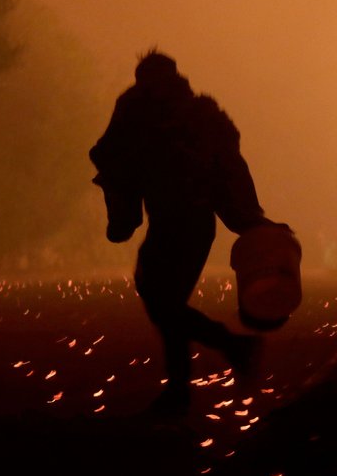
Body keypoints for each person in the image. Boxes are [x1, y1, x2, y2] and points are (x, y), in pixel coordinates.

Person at [89, 50, 269, 416]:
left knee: (163, 302)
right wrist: (249, 218)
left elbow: (109, 155)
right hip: (193, 224)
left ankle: (215, 360)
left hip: (181, 222)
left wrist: (251, 220)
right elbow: (232, 170)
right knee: (165, 303)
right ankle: (189, 381)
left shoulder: (149, 110)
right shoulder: (196, 115)